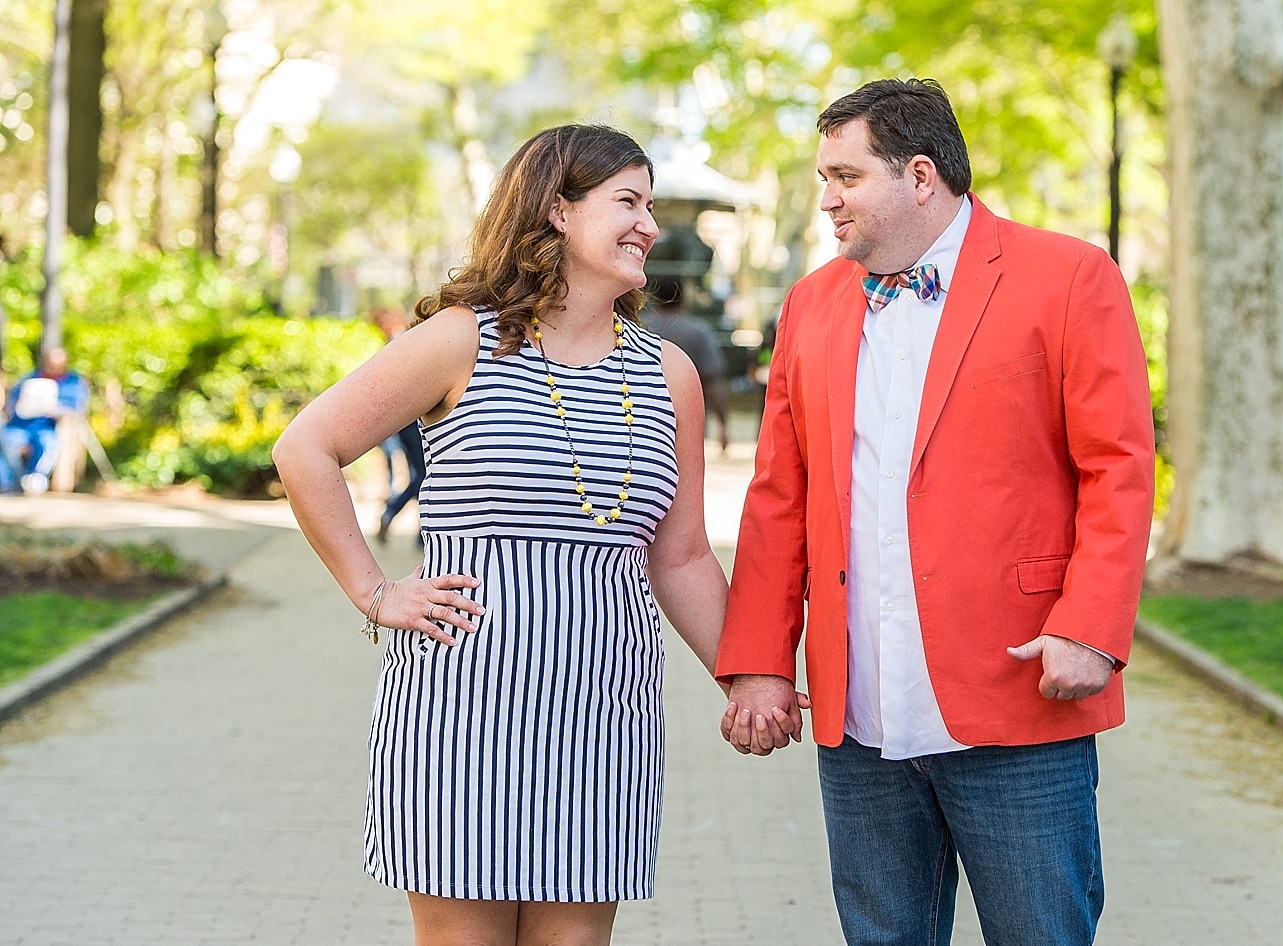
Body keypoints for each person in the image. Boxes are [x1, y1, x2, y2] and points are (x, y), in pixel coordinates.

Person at [715, 78, 1155, 946]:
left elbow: (1119, 467)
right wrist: (760, 662)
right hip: (860, 717)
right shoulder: (811, 303)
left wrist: (1092, 628)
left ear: (920, 175)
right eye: (823, 181)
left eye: (845, 177)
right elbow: (778, 500)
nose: (829, 201)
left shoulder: (1068, 276)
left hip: (1018, 693)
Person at [272, 124, 728, 946]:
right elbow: (307, 447)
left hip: (605, 711)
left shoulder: (668, 374)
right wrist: (373, 592)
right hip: (462, 706)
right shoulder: (463, 339)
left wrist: (750, 678)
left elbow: (683, 553)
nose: (649, 226)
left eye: (649, 205)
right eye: (628, 202)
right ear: (557, 210)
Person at [641, 273, 731, 453]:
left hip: (641, 421)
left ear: (654, 295)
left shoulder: (638, 328)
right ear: (684, 296)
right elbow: (712, 381)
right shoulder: (698, 332)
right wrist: (723, 425)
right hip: (688, 425)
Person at [369, 306, 426, 546]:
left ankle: (417, 531)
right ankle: (393, 512)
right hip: (411, 422)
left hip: (408, 422)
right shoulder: (403, 343)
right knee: (424, 475)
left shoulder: (405, 340)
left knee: (423, 475)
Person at [1, 347, 90, 495]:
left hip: (48, 426)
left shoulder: (73, 383)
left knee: (47, 444)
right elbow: (12, 402)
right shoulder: (29, 378)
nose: (52, 368)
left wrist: (57, 410)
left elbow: (78, 409)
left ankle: (35, 479)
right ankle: (9, 483)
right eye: (49, 364)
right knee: (6, 441)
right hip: (21, 424)